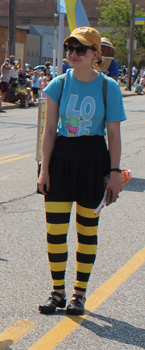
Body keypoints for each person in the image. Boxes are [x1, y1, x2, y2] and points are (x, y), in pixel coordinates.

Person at [37, 27, 126, 316]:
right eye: (70, 48)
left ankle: (79, 294)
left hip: (93, 160)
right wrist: (43, 169)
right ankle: (57, 292)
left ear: (96, 54)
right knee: (55, 231)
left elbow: (113, 134)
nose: (73, 54)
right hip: (62, 159)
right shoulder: (58, 85)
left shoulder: (108, 87)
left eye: (81, 49)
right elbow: (49, 131)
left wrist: (114, 172)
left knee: (87, 232)